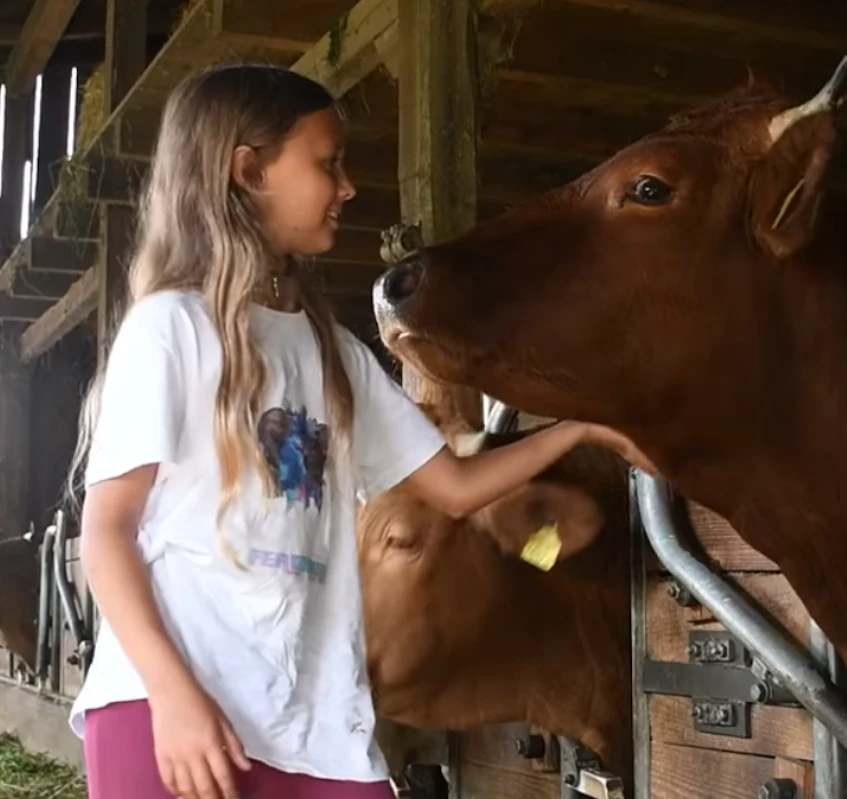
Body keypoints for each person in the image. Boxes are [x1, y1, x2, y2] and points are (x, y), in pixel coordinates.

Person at [66, 63, 656, 799]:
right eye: (328, 163)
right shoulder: (170, 329)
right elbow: (106, 532)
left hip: (314, 728)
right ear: (248, 170)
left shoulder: (332, 353)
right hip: (173, 712)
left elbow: (454, 486)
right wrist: (172, 695)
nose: (347, 187)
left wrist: (581, 429)